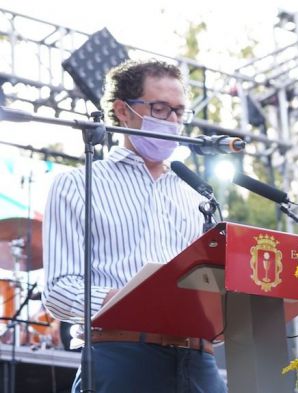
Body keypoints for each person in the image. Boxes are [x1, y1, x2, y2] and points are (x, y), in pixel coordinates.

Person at [42, 59, 226, 393]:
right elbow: (58, 291)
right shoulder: (77, 183)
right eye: (159, 109)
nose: (172, 121)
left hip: (200, 362)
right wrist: (132, 300)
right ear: (122, 110)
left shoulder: (196, 192)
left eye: (179, 112)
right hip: (120, 355)